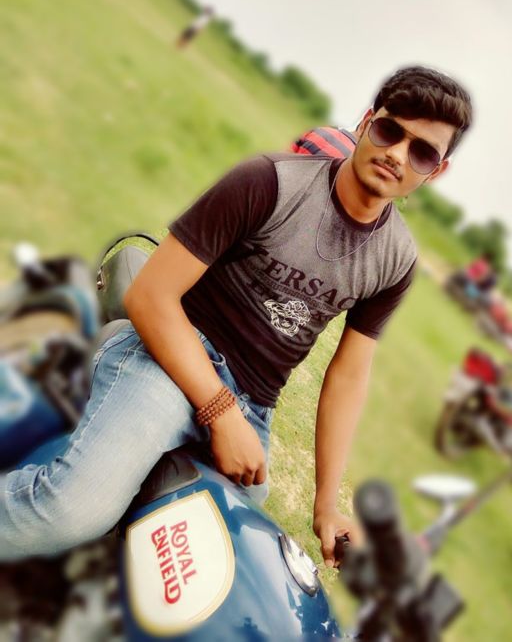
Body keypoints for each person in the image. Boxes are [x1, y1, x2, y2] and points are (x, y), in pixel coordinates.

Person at [0, 65, 473, 567]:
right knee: (72, 512)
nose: (397, 154)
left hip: (254, 408)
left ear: (436, 171)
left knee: (220, 560)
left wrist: (326, 506)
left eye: (421, 152)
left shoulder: (396, 260)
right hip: (167, 361)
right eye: (390, 130)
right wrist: (220, 412)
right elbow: (150, 296)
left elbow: (349, 376)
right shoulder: (268, 183)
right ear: (365, 123)